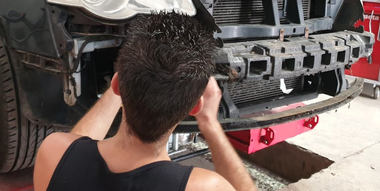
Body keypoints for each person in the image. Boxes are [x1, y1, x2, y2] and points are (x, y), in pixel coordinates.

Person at [34, 12, 258, 191]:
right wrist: (210, 123)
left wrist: (126, 79)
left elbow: (78, 147)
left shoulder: (54, 152)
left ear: (116, 85)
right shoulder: (203, 187)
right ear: (195, 107)